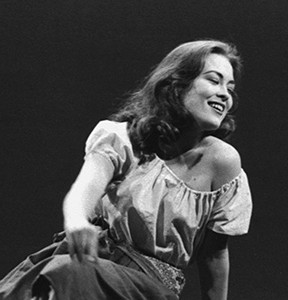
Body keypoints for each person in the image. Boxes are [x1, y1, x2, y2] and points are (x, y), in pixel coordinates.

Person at [0, 39, 252, 300]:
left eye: (230, 88)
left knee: (69, 273)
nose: (225, 94)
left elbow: (214, 254)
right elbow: (85, 189)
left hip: (146, 289)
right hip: (88, 268)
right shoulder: (122, 138)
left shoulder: (222, 161)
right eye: (214, 80)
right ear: (177, 86)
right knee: (58, 278)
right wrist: (76, 221)